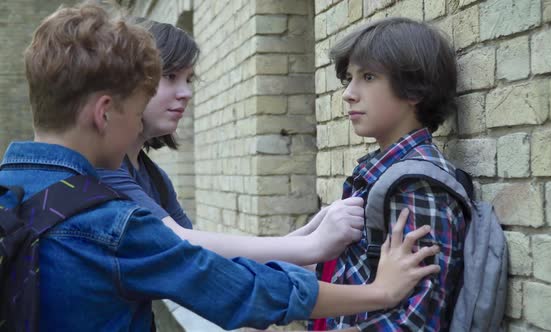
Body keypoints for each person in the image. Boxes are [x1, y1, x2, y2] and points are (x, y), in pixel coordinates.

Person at [0, 4, 441, 330]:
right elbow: (230, 285)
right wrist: (379, 292)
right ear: (104, 112)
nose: (141, 126)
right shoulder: (109, 224)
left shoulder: (10, 186)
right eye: (137, 112)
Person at [97, 19, 367, 266]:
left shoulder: (154, 179)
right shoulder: (104, 169)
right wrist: (313, 245)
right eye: (170, 77)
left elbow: (201, 256)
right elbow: (178, 242)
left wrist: (310, 233)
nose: (186, 93)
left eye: (189, 80)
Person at [312, 17, 467, 331]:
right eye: (349, 79)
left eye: (368, 77)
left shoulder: (416, 185)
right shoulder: (380, 172)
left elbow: (417, 321)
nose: (349, 94)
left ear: (414, 90)